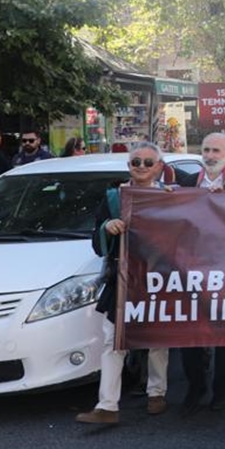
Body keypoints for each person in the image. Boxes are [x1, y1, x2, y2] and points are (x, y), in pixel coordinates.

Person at [76, 143, 174, 424]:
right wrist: (107, 227)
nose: (141, 167)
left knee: (157, 338)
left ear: (159, 167)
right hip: (122, 277)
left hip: (157, 277)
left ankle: (157, 392)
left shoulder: (169, 197)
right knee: (113, 339)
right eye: (135, 162)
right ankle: (107, 405)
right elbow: (97, 243)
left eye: (147, 162)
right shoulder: (112, 198)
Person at [180, 133, 225, 416]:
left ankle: (223, 389)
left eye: (216, 150)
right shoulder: (185, 184)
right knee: (189, 334)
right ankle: (195, 387)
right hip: (192, 269)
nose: (210, 155)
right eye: (206, 149)